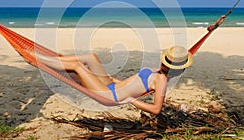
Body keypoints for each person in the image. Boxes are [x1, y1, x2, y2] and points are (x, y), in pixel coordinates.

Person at [34, 46, 193, 114]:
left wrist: (131, 100)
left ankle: (37, 58)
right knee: (91, 57)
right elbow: (133, 83)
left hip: (110, 96)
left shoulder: (162, 81)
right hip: (110, 84)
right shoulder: (157, 71)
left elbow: (156, 109)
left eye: (166, 62)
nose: (162, 64)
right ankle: (50, 58)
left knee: (78, 66)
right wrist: (112, 79)